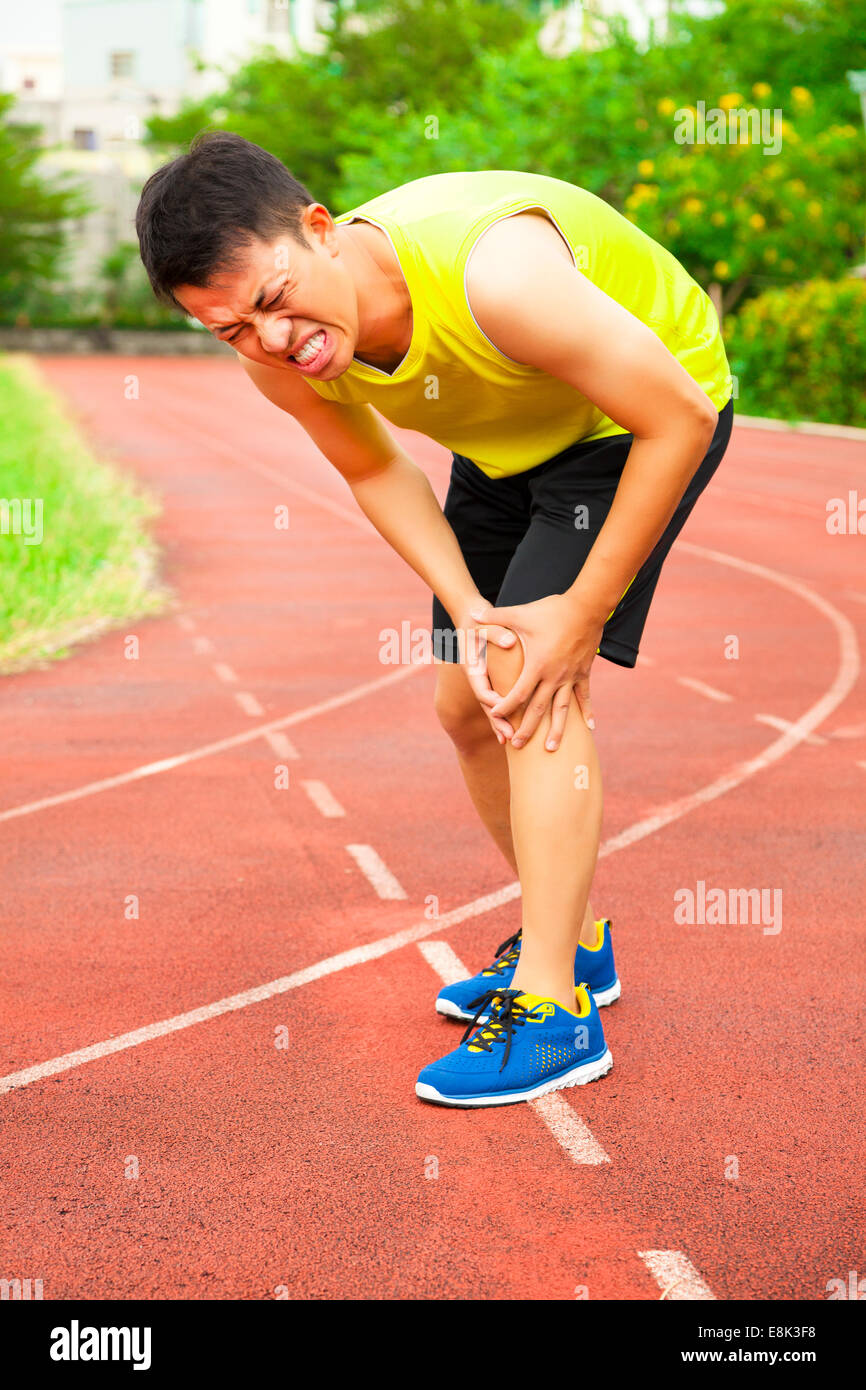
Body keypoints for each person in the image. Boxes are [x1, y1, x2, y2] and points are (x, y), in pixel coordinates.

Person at [136, 132, 733, 1108]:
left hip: (629, 417)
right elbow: (375, 467)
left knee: (531, 681)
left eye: (274, 299)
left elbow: (678, 416)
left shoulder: (496, 277)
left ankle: (551, 1012)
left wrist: (578, 613)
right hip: (499, 447)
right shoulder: (274, 355)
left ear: (318, 230)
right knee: (463, 704)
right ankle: (574, 942)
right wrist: (466, 604)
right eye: (229, 329)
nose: (269, 340)